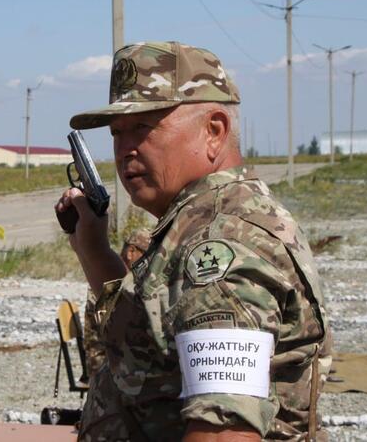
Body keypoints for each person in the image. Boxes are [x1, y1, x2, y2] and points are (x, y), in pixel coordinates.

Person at [57, 41, 332, 441]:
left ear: (214, 131)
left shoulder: (220, 246)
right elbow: (147, 343)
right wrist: (93, 248)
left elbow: (222, 432)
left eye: (144, 128)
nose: (125, 149)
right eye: (117, 133)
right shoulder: (196, 221)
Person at [80, 228, 151, 440]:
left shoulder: (130, 282)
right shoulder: (110, 285)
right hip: (106, 368)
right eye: (145, 253)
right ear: (131, 252)